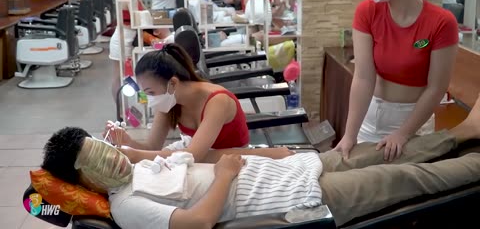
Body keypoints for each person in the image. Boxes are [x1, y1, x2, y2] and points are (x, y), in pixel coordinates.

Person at [41, 94, 480, 228]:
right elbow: (198, 224)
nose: (112, 159)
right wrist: (227, 176)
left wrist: (271, 152)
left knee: (393, 150)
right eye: (97, 159)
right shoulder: (128, 205)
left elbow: (207, 156)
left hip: (300, 168)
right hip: (308, 195)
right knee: (408, 177)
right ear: (84, 179)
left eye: (104, 146)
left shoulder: (136, 170)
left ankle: (466, 132)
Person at [335, 0, 459, 161]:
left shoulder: (442, 23)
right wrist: (349, 135)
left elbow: (437, 88)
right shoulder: (367, 12)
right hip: (372, 116)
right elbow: (363, 77)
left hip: (414, 121)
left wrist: (403, 133)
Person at [104, 44, 250, 163]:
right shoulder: (168, 101)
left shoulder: (218, 101)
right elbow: (152, 147)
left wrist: (134, 155)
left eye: (151, 92)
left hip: (232, 159)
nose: (150, 100)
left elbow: (193, 155)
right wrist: (127, 141)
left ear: (173, 83)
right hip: (200, 155)